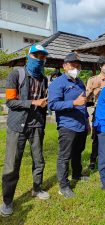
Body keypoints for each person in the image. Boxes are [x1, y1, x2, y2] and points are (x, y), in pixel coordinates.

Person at [1, 44, 49, 217]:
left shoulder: (44, 78)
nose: (40, 59)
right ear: (29, 56)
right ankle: (7, 201)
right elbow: (10, 101)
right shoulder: (16, 74)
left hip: (36, 125)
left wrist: (43, 113)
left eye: (43, 57)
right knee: (12, 164)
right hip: (17, 126)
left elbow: (43, 101)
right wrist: (32, 103)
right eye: (36, 56)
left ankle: (37, 188)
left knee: (39, 160)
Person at [48, 53, 90, 198]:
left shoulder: (80, 82)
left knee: (77, 152)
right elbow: (52, 104)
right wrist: (73, 103)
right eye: (73, 65)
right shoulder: (58, 83)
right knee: (64, 156)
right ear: (65, 66)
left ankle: (77, 175)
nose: (76, 68)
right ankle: (63, 186)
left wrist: (87, 122)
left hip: (81, 124)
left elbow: (83, 104)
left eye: (78, 66)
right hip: (67, 125)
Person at [86, 56, 105, 170]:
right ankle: (93, 160)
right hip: (99, 111)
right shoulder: (93, 79)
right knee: (96, 137)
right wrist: (93, 89)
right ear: (101, 66)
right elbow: (86, 97)